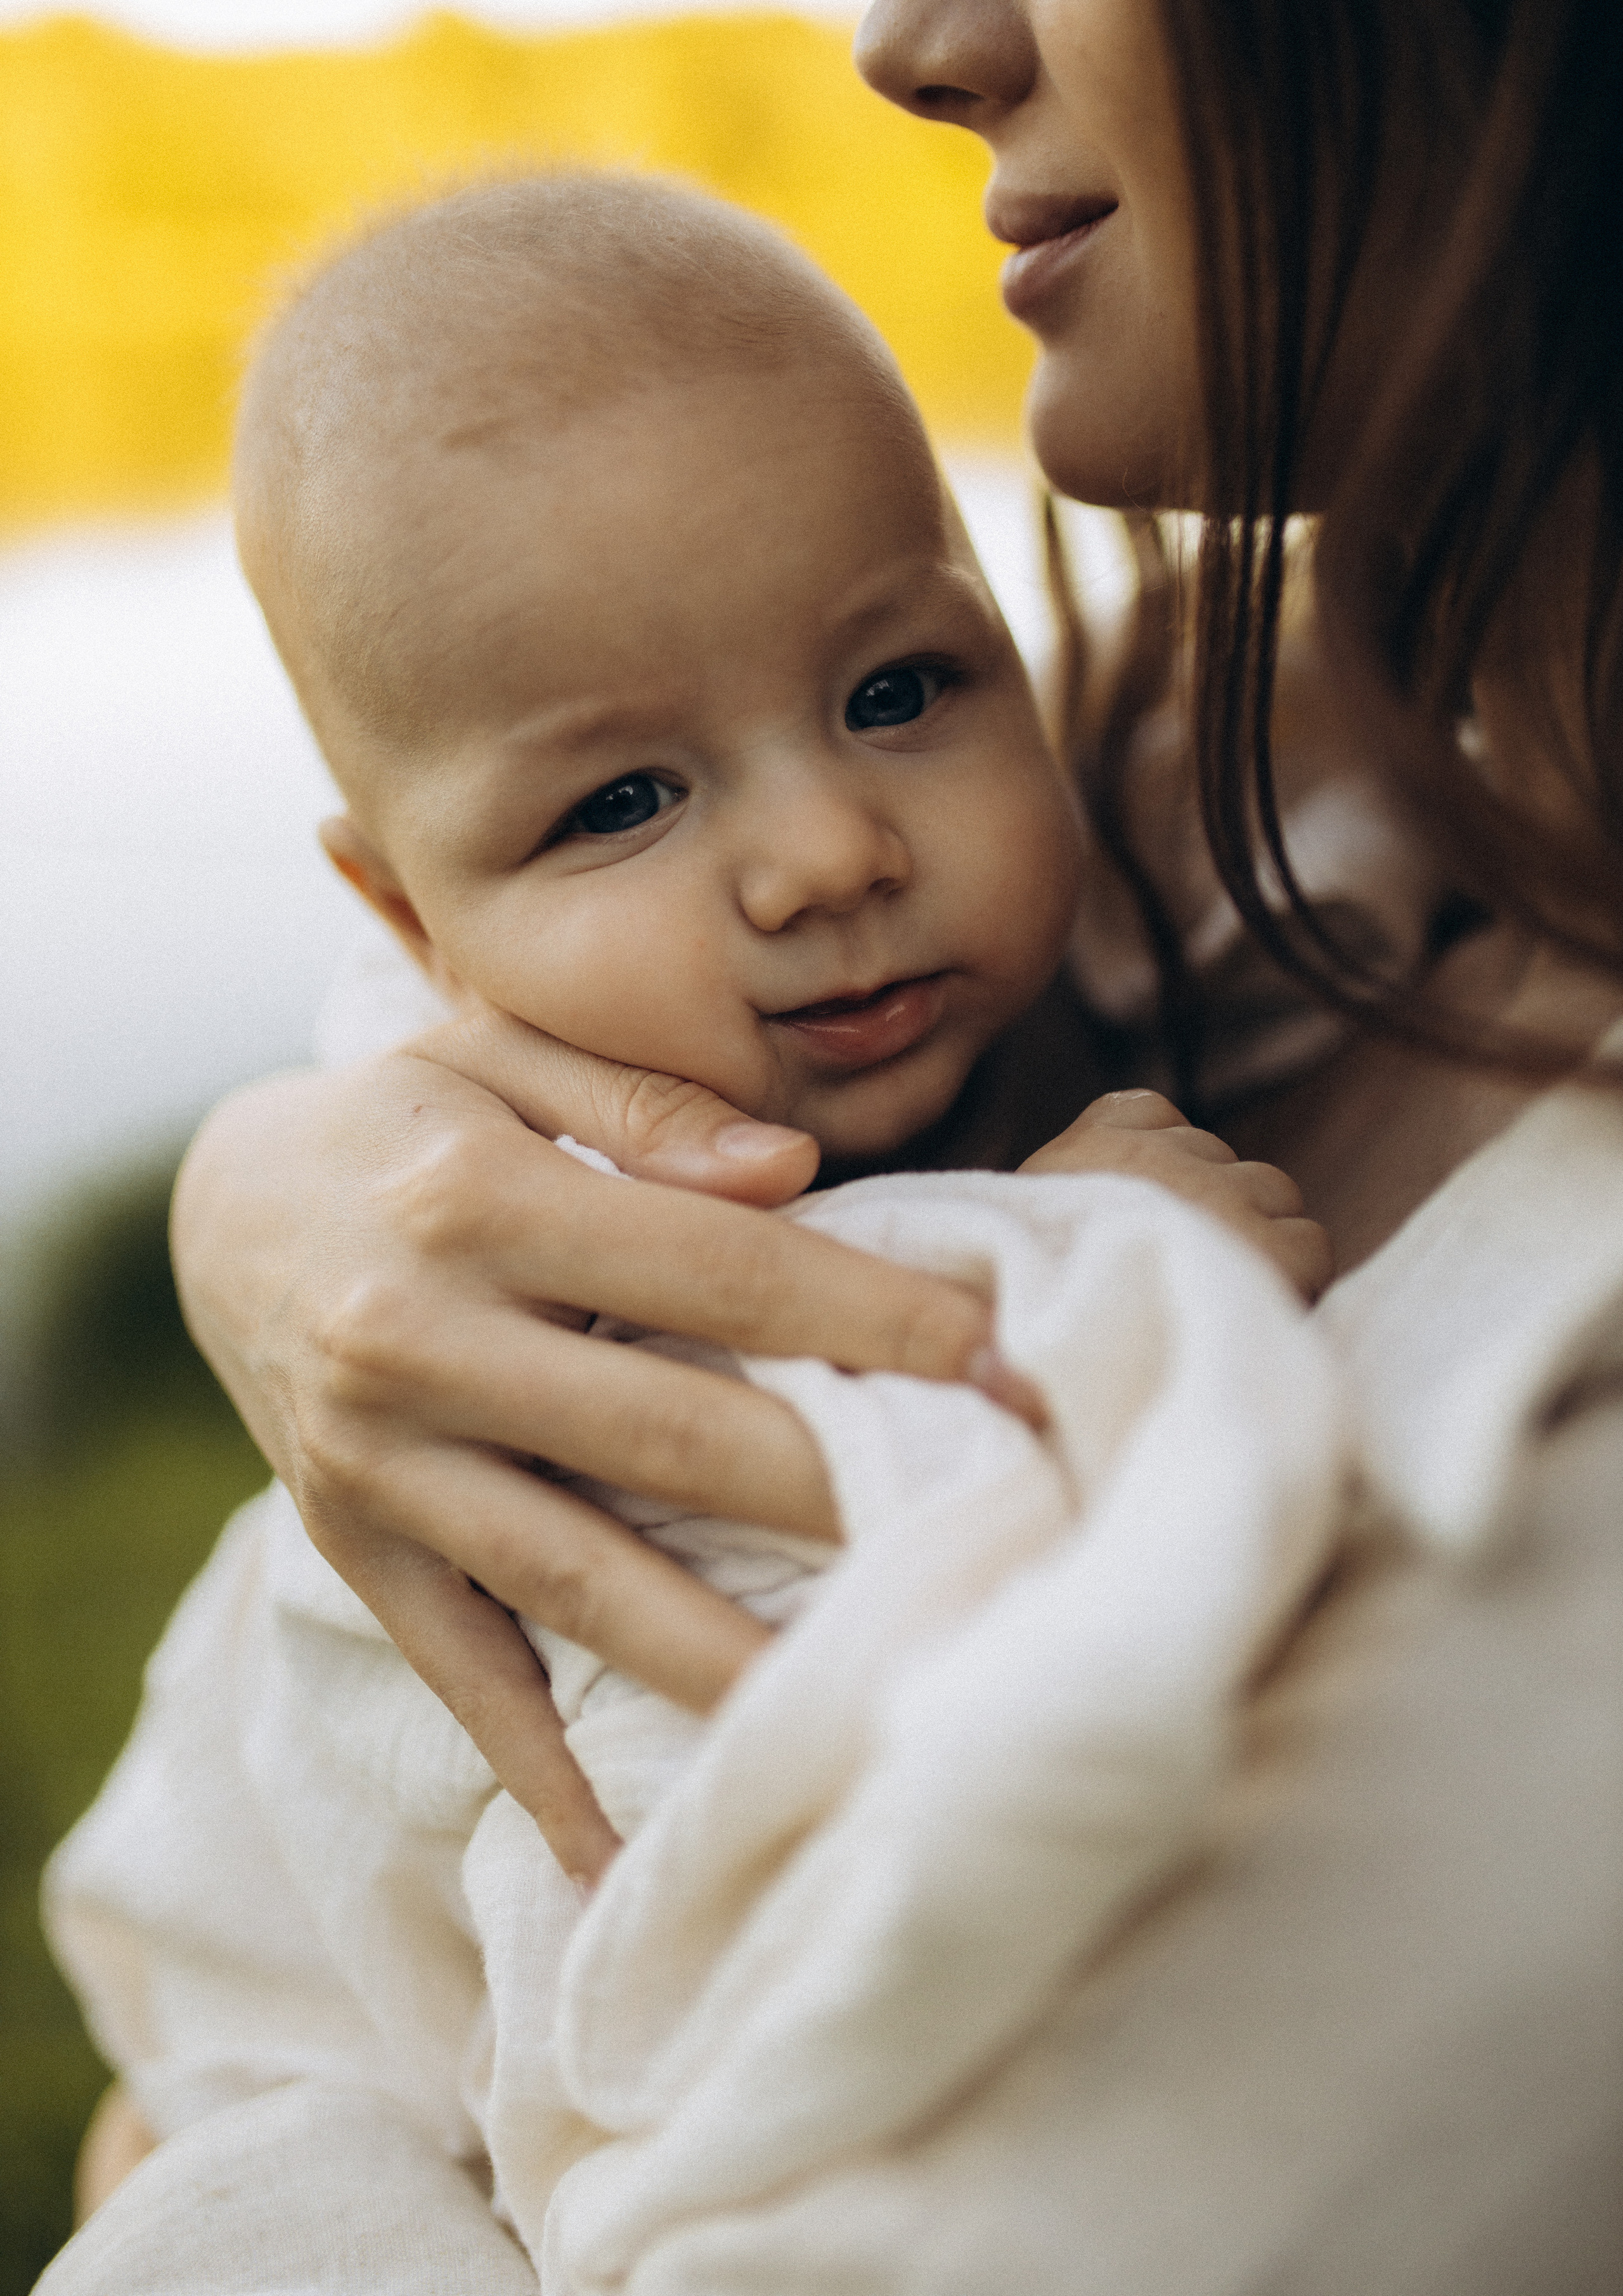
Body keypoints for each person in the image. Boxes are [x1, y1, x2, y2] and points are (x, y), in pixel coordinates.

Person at [54, 0, 1623, 2286]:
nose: (823, 857)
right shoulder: (1251, 772)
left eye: (901, 693)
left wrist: (170, 2185)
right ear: (405, 922)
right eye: (621, 802)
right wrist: (274, 1192)